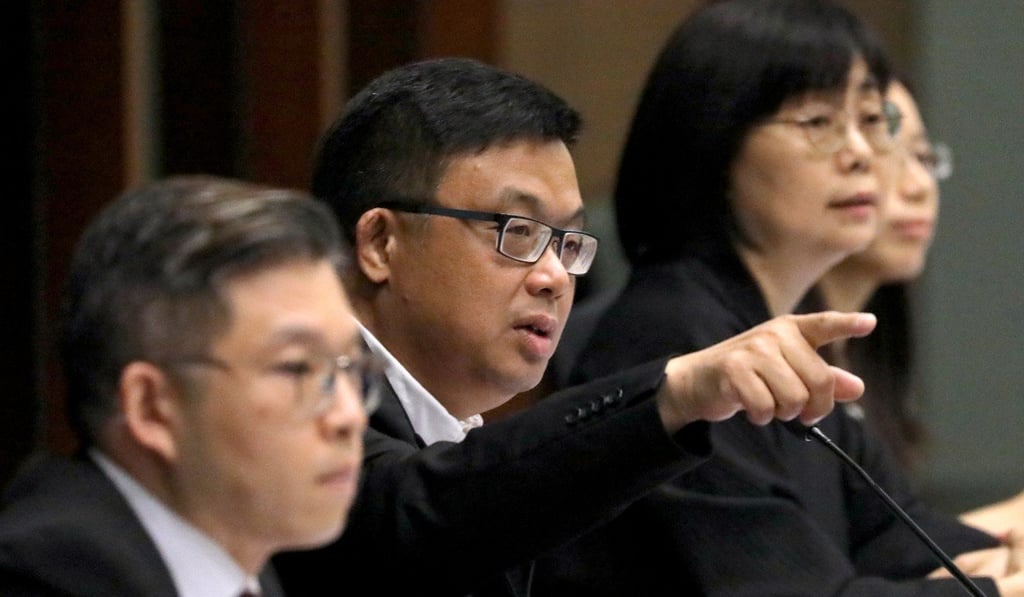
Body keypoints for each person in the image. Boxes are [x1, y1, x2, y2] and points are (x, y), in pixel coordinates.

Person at [271, 56, 881, 597]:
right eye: (517, 232)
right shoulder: (294, 409)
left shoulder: (462, 446)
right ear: (380, 242)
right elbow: (419, 510)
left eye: (566, 242)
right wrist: (675, 392)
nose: (554, 277)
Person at [547, 1, 1022, 595]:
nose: (861, 153)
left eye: (873, 120)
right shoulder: (677, 342)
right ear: (712, 138)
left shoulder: (777, 329)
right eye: (819, 123)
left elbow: (902, 542)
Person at [0, 176, 375, 596]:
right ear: (152, 407)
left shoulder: (238, 559)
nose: (350, 415)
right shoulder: (52, 576)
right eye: (296, 369)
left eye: (350, 367)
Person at [817, 80, 1024, 543]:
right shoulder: (726, 341)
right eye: (888, 157)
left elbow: (880, 552)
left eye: (925, 158)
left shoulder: (871, 347)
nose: (918, 187)